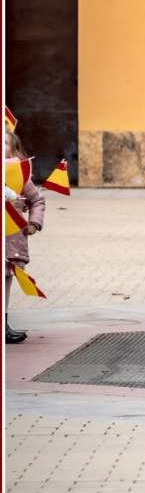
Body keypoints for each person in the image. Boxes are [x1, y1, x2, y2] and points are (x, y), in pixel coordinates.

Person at [4, 130, 44, 344]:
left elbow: (37, 200)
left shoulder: (19, 176)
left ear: (14, 149)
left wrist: (33, 223)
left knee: (5, 281)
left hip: (10, 241)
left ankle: (3, 323)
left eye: (3, 142)